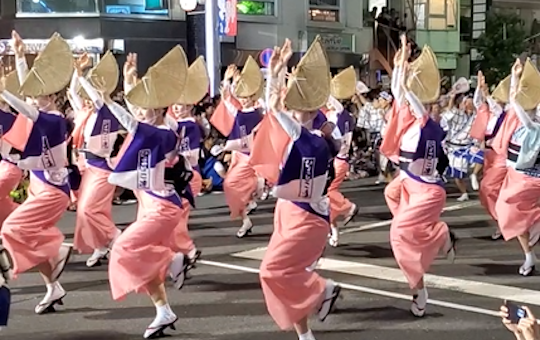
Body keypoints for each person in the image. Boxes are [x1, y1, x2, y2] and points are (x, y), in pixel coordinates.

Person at [250, 37, 341, 340]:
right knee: (288, 276)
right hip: (288, 211)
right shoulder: (299, 131)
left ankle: (323, 289)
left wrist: (277, 75)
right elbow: (272, 110)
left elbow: (278, 114)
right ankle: (305, 335)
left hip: (307, 218)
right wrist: (276, 72)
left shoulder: (317, 139)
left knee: (273, 272)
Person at [105, 45, 191, 338]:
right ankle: (163, 311)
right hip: (150, 203)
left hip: (162, 207)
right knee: (143, 264)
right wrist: (129, 81)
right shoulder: (153, 125)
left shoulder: (166, 131)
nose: (140, 110)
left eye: (146, 106)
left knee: (124, 250)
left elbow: (132, 120)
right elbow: (136, 114)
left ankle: (174, 259)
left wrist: (104, 98)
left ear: (160, 106)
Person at [0, 32, 74, 314]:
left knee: (12, 229)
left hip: (53, 192)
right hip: (40, 186)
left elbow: (29, 111)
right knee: (25, 234)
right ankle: (53, 287)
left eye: (39, 92)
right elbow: (28, 99)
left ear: (53, 95)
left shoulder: (54, 120)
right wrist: (20, 56)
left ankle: (57, 251)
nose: (32, 95)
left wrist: (3, 92)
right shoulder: (39, 112)